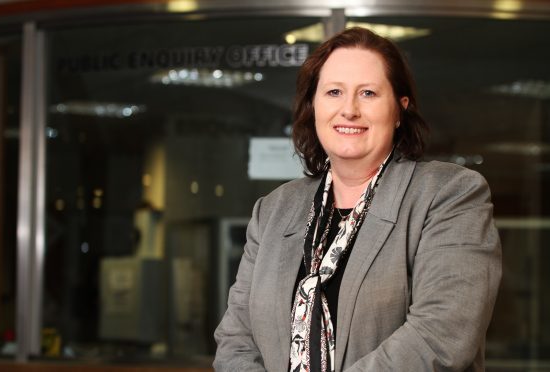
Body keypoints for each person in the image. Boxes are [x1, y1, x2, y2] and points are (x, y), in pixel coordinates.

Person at [214, 27, 502, 371]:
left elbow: (442, 334)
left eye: (368, 93)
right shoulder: (274, 210)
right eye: (334, 92)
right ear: (314, 105)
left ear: (399, 110)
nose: (348, 110)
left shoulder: (449, 194)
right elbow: (236, 340)